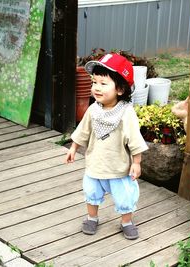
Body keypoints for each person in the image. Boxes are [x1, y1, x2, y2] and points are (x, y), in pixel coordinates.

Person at [65, 53, 148, 240]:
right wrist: (73, 147)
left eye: (103, 84)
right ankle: (92, 218)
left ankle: (126, 221)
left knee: (125, 196)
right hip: (95, 164)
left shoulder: (126, 113)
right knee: (91, 192)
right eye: (94, 82)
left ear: (120, 89)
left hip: (119, 167)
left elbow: (134, 139)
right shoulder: (93, 110)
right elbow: (83, 131)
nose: (96, 88)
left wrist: (136, 162)